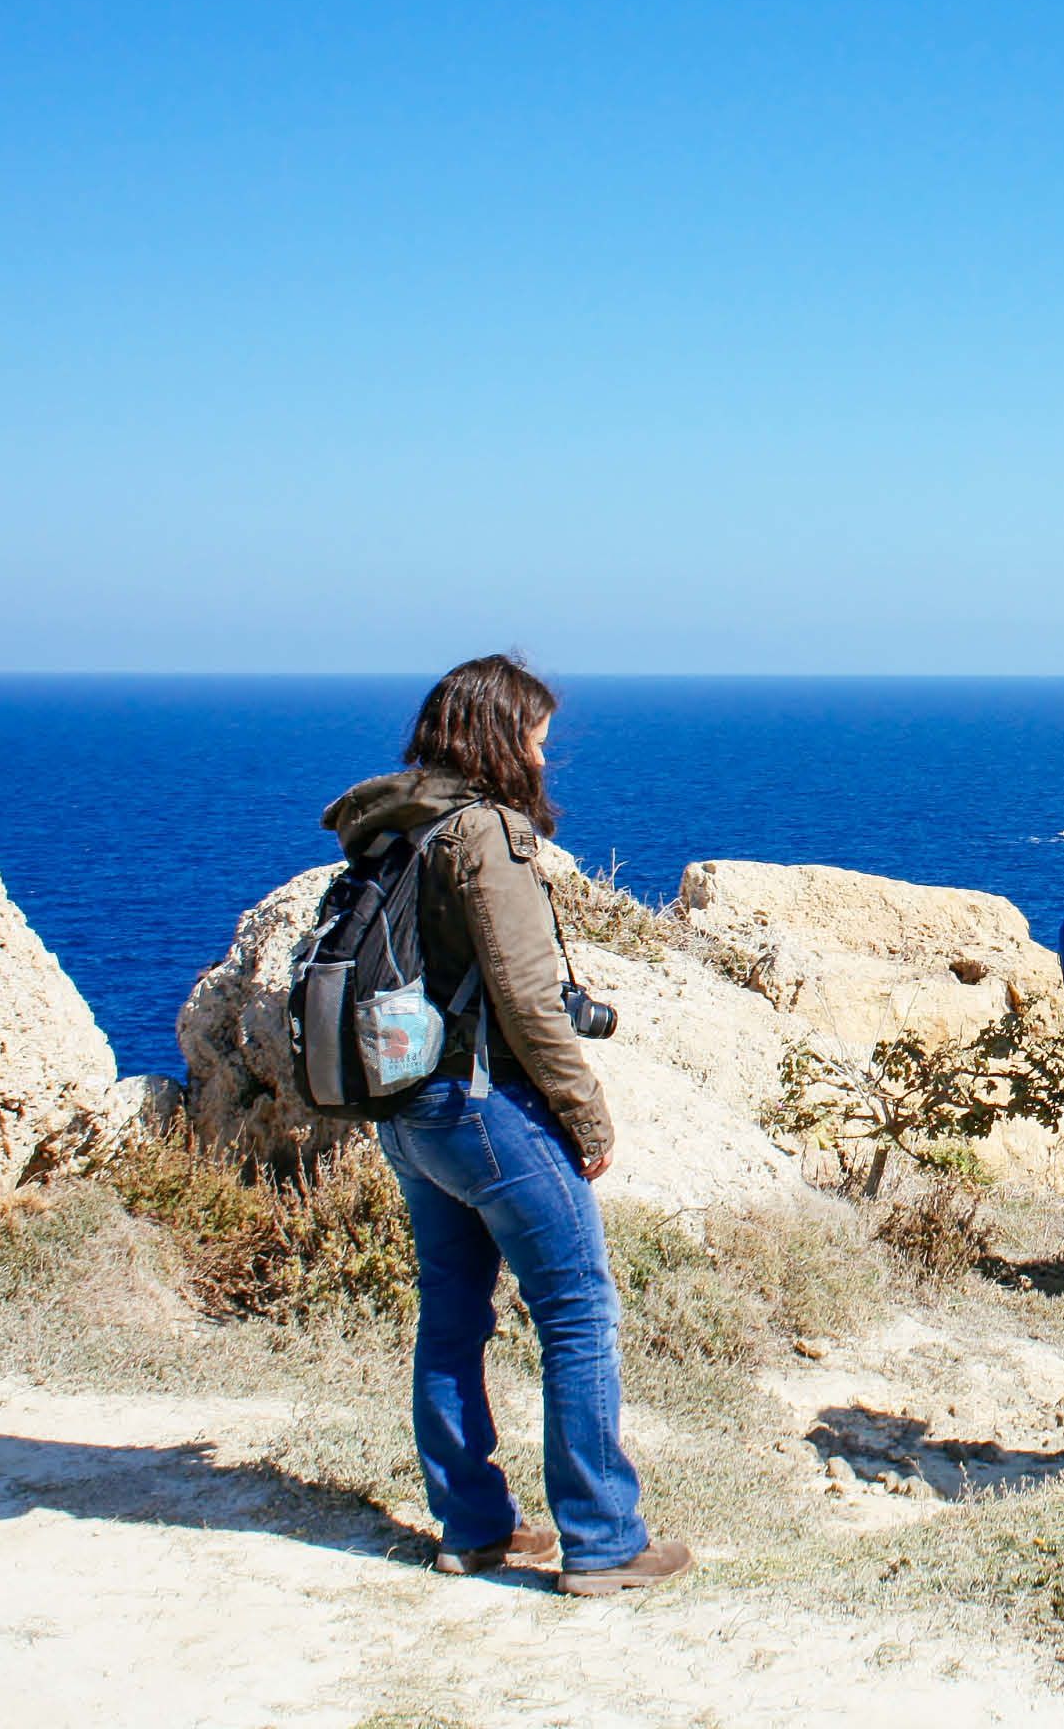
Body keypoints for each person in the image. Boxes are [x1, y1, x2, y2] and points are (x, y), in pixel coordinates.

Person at [321, 654, 688, 1595]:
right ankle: (604, 1541)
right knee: (577, 1311)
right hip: (485, 1109)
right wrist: (585, 1112)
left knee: (451, 1314)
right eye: (535, 738)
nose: (542, 756)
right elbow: (527, 1000)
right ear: (498, 737)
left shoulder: (396, 827)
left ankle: (471, 1529)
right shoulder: (484, 834)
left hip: (407, 1111)